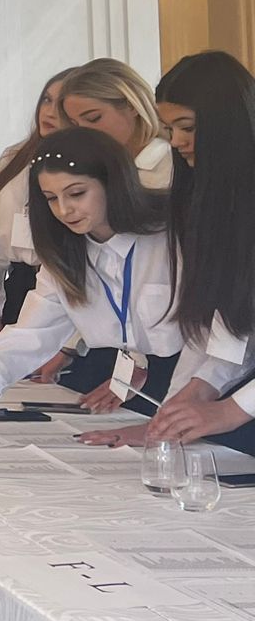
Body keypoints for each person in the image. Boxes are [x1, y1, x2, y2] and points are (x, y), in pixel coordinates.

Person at [0, 127, 188, 437]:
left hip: (202, 387)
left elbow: (207, 339)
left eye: (76, 194)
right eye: (51, 198)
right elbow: (27, 336)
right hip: (144, 383)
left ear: (113, 182)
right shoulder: (65, 255)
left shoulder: (172, 239)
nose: (64, 210)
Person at [82, 53, 255, 453]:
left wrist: (231, 410)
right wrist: (174, 413)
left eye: (187, 127)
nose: (175, 141)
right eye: (170, 128)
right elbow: (227, 326)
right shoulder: (210, 204)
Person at [0, 71, 73, 352]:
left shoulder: (85, 166)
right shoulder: (13, 158)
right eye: (46, 100)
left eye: (61, 104)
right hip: (19, 283)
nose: (49, 111)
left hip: (63, 290)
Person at [59, 58, 174, 190]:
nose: (84, 133)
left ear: (131, 106)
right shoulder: (91, 171)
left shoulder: (169, 164)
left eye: (93, 118)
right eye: (75, 125)